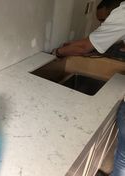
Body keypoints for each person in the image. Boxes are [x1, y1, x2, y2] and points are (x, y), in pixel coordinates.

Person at [52, 1, 125, 176]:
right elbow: (88, 43)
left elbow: (86, 46)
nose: (103, 25)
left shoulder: (123, 12)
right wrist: (75, 46)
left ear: (114, 10)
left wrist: (59, 52)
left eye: (104, 19)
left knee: (123, 156)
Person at [52, 0, 125, 59]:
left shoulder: (120, 15)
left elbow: (83, 47)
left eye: (104, 20)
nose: (101, 25)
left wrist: (57, 52)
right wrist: (75, 45)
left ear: (113, 12)